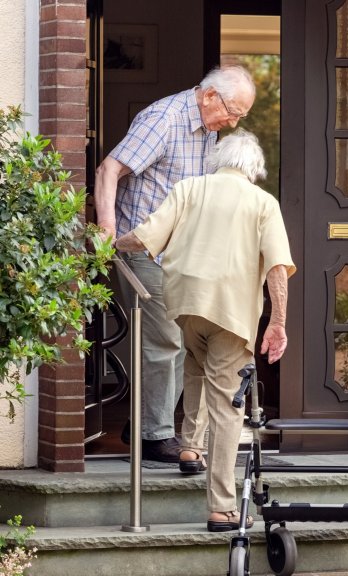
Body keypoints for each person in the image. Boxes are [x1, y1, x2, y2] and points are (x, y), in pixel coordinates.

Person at [114, 129, 295, 532]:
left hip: (185, 304)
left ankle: (191, 448)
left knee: (197, 368)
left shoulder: (188, 188)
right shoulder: (263, 202)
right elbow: (277, 268)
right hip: (230, 312)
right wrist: (278, 323)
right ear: (254, 170)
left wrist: (107, 240)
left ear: (219, 160)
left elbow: (144, 239)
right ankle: (222, 506)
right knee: (228, 409)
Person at [94, 65, 256, 464]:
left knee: (184, 340)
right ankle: (154, 436)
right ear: (209, 96)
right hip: (144, 249)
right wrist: (107, 227)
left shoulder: (209, 128)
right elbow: (109, 168)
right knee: (166, 340)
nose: (234, 122)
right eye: (233, 111)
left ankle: (146, 423)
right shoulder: (164, 120)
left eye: (240, 117)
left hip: (181, 254)